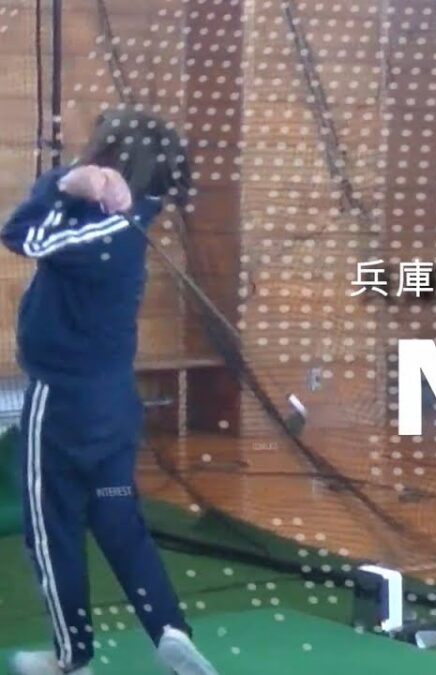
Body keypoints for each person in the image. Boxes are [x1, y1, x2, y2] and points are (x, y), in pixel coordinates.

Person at [2, 109, 218, 675]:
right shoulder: (129, 216)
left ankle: (70, 659)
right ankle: (169, 629)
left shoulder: (104, 231)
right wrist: (79, 184)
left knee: (52, 529)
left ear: (114, 162)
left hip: (64, 405)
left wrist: (64, 181)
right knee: (116, 515)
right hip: (114, 407)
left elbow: (21, 234)